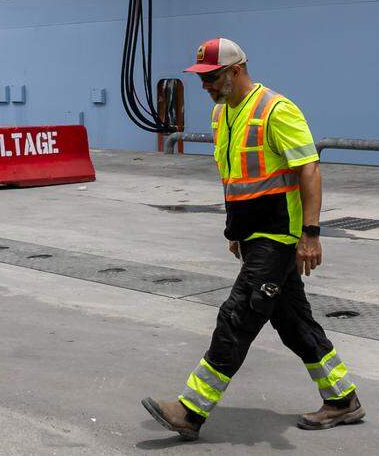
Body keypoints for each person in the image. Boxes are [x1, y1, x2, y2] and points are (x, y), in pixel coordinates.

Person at [142, 38, 364, 441]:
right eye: (202, 78)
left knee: (238, 314)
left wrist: (310, 235)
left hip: (279, 236)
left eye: (211, 77)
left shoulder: (276, 110)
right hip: (252, 235)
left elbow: (309, 170)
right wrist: (235, 232)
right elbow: (235, 178)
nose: (205, 85)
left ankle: (192, 410)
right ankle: (342, 399)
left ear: (236, 71)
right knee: (293, 322)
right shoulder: (220, 113)